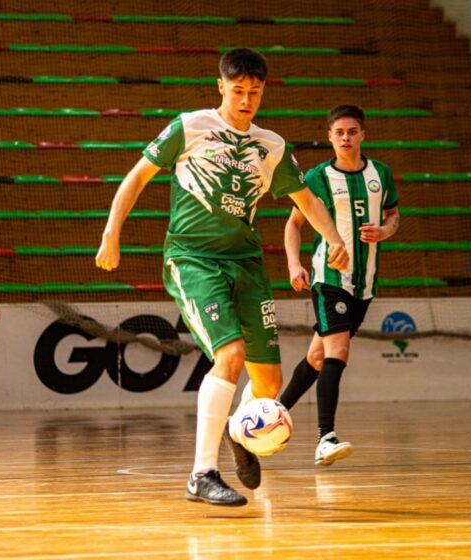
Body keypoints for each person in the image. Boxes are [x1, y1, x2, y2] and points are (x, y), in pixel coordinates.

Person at [95, 48, 349, 506]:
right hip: (193, 259)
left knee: (268, 385)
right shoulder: (189, 127)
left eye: (255, 92)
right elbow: (136, 177)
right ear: (221, 87)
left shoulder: (271, 146)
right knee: (229, 354)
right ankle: (201, 474)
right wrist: (112, 233)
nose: (247, 99)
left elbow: (305, 199)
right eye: (238, 91)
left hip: (246, 264)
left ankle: (238, 430)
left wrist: (332, 237)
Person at [278, 104, 400, 466]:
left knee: (317, 357)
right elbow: (293, 224)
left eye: (352, 131)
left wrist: (385, 231)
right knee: (338, 352)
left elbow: (394, 218)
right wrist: (293, 264)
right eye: (339, 132)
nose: (346, 138)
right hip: (330, 278)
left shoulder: (381, 173)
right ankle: (325, 437)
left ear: (363, 134)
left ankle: (270, 417)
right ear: (329, 136)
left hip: (366, 284)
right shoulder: (317, 177)